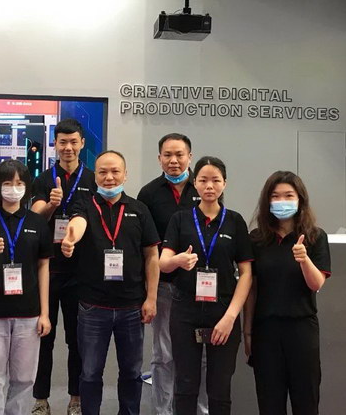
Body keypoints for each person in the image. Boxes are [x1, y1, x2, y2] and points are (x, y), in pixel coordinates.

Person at [60, 150, 160, 415]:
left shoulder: (139, 210)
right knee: (90, 372)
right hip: (93, 307)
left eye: (115, 171)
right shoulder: (84, 205)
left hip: (132, 307)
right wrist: (71, 238)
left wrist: (151, 298)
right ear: (95, 176)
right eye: (103, 172)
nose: (109, 177)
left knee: (131, 372)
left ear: (125, 175)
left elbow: (152, 256)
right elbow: (77, 224)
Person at [159, 156, 253, 415]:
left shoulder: (235, 221)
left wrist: (231, 317)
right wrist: (177, 261)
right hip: (185, 309)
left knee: (219, 387)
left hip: (223, 310)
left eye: (215, 180)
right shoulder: (180, 219)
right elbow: (163, 263)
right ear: (195, 183)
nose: (209, 186)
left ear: (225, 183)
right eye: (203, 180)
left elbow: (246, 273)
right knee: (185, 384)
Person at [243, 171, 331, 415]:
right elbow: (251, 289)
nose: (282, 201)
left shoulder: (315, 237)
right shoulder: (257, 239)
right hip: (266, 331)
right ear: (267, 201)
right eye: (275, 196)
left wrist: (304, 259)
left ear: (300, 199)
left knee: (306, 401)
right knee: (269, 403)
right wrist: (247, 332)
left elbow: (316, 284)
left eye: (289, 195)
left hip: (301, 329)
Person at [0, 159, 53, 415]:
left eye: (19, 183)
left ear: (26, 187)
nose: (13, 188)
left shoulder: (37, 222)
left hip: (29, 312)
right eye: (7, 183)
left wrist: (45, 313)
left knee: (24, 378)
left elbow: (43, 267)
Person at [137, 133, 208, 415]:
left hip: (199, 287)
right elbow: (146, 247)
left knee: (200, 354)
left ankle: (198, 409)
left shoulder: (203, 188)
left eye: (179, 154)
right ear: (159, 159)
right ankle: (162, 411)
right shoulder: (149, 194)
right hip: (164, 285)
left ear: (190, 157)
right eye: (168, 155)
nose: (174, 160)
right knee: (164, 355)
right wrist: (149, 292)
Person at [31, 119, 95, 415]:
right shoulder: (44, 179)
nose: (68, 147)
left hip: (80, 272)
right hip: (48, 269)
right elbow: (34, 219)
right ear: (55, 144)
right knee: (44, 336)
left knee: (77, 340)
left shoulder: (92, 179)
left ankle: (75, 398)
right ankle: (40, 400)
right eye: (62, 142)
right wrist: (51, 205)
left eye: (73, 142)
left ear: (82, 143)